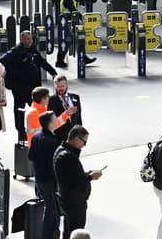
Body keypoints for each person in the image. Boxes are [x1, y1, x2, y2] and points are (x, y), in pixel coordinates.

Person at [1, 30, 59, 142]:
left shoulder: (33, 50)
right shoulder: (16, 51)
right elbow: (3, 59)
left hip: (33, 88)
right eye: (27, 39)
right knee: (19, 111)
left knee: (38, 108)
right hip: (20, 88)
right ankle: (21, 133)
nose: (29, 41)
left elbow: (42, 62)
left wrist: (53, 73)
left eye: (31, 39)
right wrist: (15, 72)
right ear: (22, 39)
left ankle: (44, 130)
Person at [54, 126, 103, 239]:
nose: (84, 145)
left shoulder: (62, 151)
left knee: (69, 230)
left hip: (68, 199)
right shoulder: (68, 156)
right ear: (76, 138)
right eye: (84, 141)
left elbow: (71, 175)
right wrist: (90, 177)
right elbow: (74, 182)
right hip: (74, 202)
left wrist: (86, 174)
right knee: (75, 231)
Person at [28, 110, 63, 239]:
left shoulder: (36, 137)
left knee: (50, 207)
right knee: (51, 209)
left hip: (40, 178)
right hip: (49, 180)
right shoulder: (52, 141)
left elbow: (31, 156)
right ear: (50, 123)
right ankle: (47, 234)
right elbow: (55, 163)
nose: (57, 121)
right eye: (55, 119)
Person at [49, 75, 84, 141]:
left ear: (67, 84)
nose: (61, 88)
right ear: (54, 86)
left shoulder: (75, 97)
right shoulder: (51, 100)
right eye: (58, 86)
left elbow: (78, 116)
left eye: (62, 86)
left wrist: (80, 132)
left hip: (74, 135)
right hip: (59, 136)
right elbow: (51, 120)